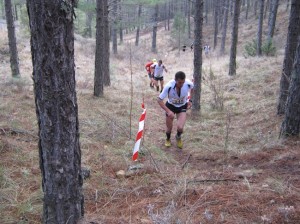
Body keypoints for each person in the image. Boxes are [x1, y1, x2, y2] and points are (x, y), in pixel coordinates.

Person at [157, 71, 194, 149]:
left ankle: (178, 137)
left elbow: (192, 89)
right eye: (179, 82)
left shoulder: (188, 83)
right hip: (171, 106)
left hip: (182, 107)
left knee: (180, 127)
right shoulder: (169, 86)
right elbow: (159, 100)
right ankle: (168, 139)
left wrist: (190, 100)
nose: (181, 84)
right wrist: (168, 111)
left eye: (183, 82)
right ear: (175, 80)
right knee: (169, 128)